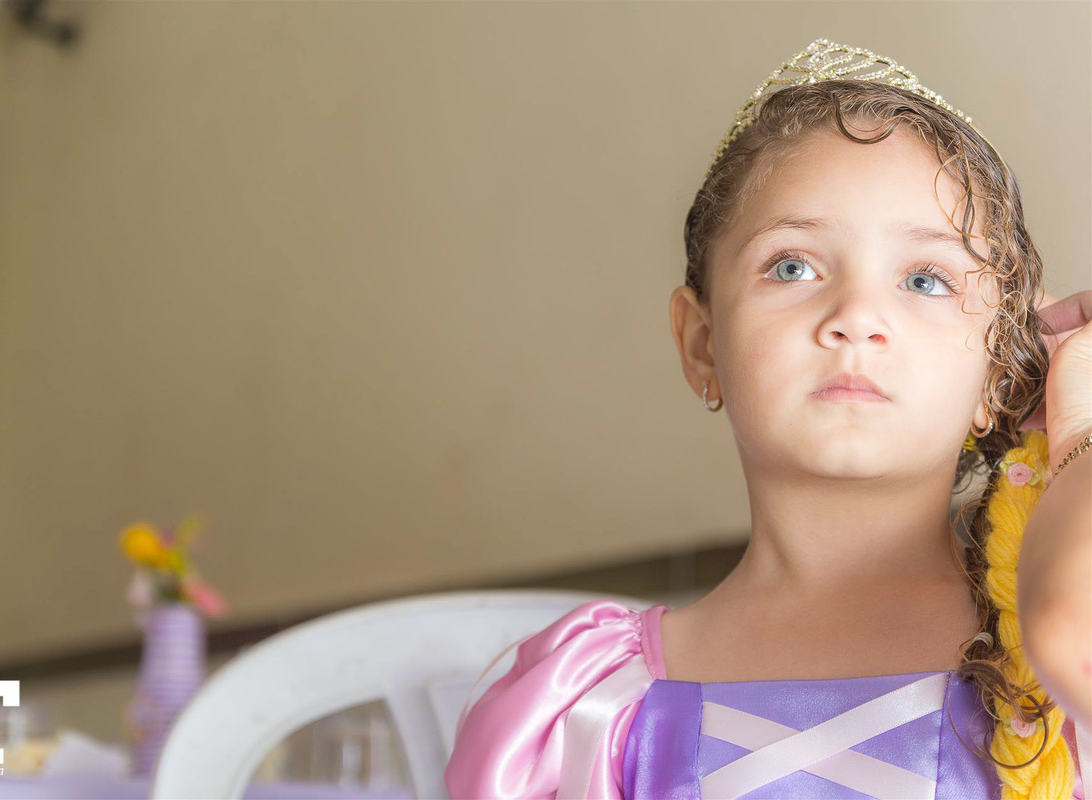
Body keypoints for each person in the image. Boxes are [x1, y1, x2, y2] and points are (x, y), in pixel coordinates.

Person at [443, 37, 1091, 799]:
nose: (857, 317)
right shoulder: (581, 707)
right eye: (793, 266)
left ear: (998, 368)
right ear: (702, 343)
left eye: (925, 279)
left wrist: (1080, 432)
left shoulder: (1056, 656)